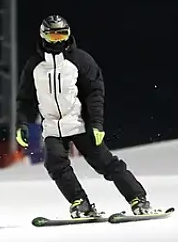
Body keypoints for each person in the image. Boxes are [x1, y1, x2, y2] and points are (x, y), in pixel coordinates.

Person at [15, 14, 156, 219]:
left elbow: (95, 93)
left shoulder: (80, 60)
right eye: (53, 37)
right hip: (53, 126)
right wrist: (22, 123)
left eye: (62, 35)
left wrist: (97, 123)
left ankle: (138, 198)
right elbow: (25, 98)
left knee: (106, 163)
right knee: (55, 164)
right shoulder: (34, 66)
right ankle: (80, 203)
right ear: (43, 36)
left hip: (80, 123)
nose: (59, 41)